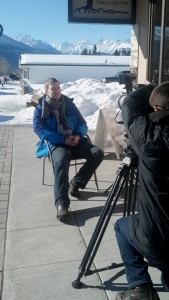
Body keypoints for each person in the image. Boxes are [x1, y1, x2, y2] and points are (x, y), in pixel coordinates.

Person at [114, 82, 169, 300]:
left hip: (156, 240)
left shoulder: (147, 137)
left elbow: (129, 105)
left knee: (122, 226)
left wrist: (148, 89)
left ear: (155, 109)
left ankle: (140, 287)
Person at [33, 78, 104, 222]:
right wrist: (62, 139)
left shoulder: (69, 104)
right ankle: (62, 203)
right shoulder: (40, 108)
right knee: (62, 159)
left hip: (75, 140)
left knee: (97, 153)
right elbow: (40, 130)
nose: (57, 90)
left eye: (59, 87)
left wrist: (78, 135)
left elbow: (83, 123)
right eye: (53, 88)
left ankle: (76, 183)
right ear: (47, 91)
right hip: (57, 144)